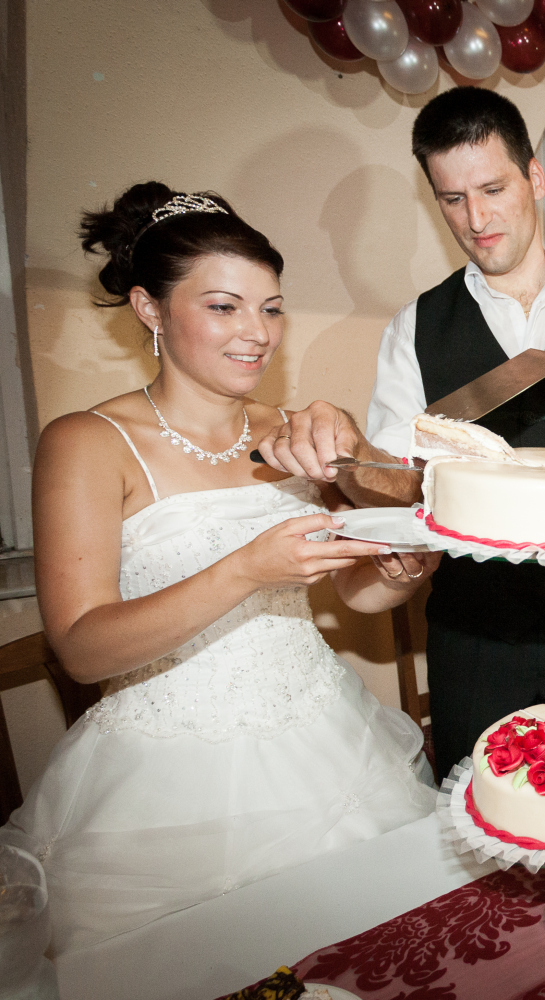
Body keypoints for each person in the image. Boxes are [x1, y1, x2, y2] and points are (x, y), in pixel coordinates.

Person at [0, 184, 437, 953]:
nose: (257, 333)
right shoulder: (86, 442)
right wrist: (246, 570)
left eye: (271, 309)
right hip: (168, 780)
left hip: (325, 737)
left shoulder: (293, 431)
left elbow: (358, 592)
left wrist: (402, 566)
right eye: (224, 307)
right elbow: (82, 648)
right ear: (150, 308)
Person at [257, 88, 545, 778]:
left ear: (535, 177)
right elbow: (394, 488)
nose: (475, 219)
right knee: (477, 816)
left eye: (493, 189)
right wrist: (349, 453)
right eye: (452, 198)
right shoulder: (416, 327)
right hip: (472, 635)